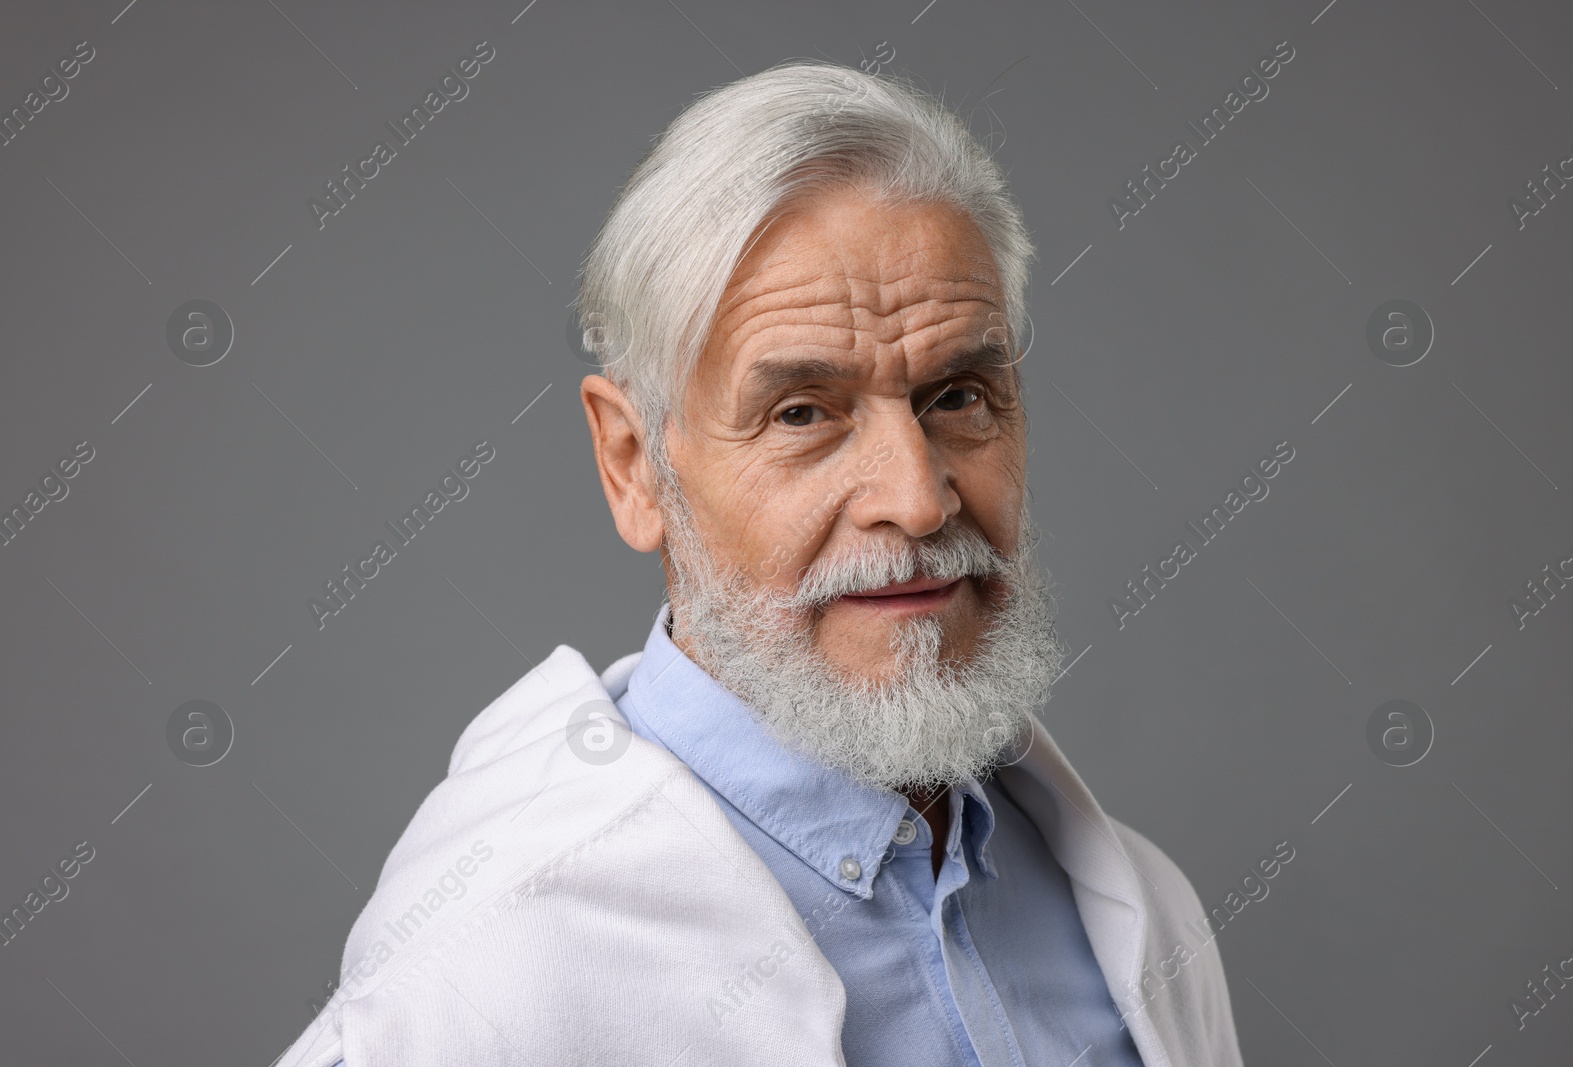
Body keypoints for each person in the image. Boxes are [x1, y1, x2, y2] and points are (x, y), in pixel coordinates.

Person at [279, 59, 1244, 1067]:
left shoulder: (1133, 915)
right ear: (633, 464)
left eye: (958, 393)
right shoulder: (492, 968)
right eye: (801, 413)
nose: (915, 497)